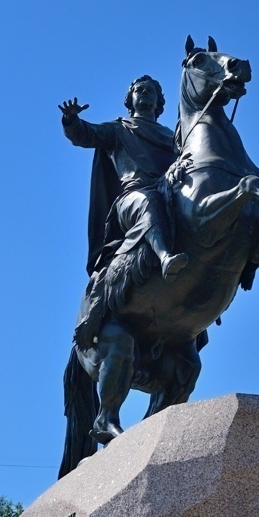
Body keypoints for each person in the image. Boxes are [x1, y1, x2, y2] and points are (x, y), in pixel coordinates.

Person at [59, 76, 188, 348]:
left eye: (151, 90)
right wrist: (72, 121)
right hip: (132, 199)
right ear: (130, 100)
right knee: (148, 200)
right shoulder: (120, 129)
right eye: (139, 90)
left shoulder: (172, 137)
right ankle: (165, 258)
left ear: (159, 101)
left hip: (167, 194)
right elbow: (86, 134)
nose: (145, 93)